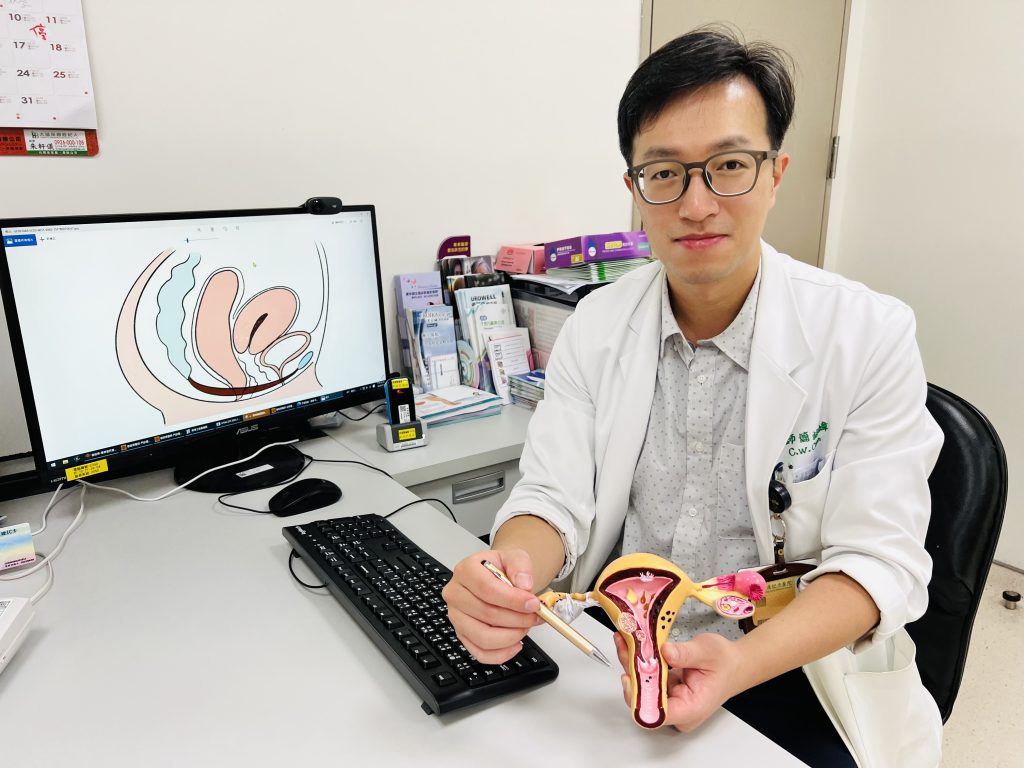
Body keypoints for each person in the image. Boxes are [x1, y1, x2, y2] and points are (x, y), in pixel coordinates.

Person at [441, 26, 943, 768]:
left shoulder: (868, 333)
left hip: (789, 662)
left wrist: (739, 665)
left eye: (730, 166)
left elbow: (878, 561)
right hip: (616, 651)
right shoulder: (597, 324)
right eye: (665, 173)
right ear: (635, 190)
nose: (698, 203)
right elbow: (552, 496)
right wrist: (507, 574)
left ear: (775, 175)